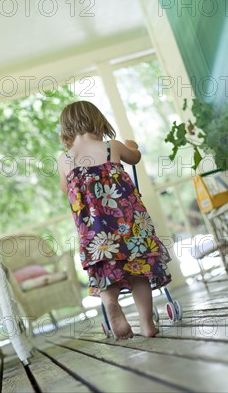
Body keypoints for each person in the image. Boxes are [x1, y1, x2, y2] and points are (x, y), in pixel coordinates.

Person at [57, 100, 172, 339]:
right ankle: (147, 323)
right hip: (129, 221)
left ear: (66, 129)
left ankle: (111, 304)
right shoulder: (111, 147)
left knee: (105, 272)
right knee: (138, 269)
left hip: (95, 230)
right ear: (97, 121)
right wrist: (132, 145)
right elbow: (135, 157)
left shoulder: (64, 160)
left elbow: (64, 188)